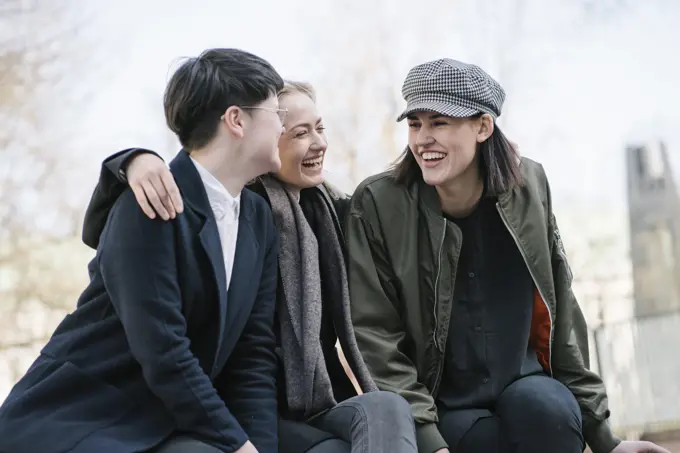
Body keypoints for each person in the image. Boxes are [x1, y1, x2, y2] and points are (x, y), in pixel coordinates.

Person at [342, 58, 672, 453]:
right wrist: (428, 441)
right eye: (415, 124)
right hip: (441, 406)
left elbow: (561, 312)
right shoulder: (378, 204)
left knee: (548, 412)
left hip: (527, 386)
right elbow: (375, 334)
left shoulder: (530, 187)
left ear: (483, 127)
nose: (422, 139)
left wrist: (605, 440)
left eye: (439, 123)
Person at [80, 81, 418, 453]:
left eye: (319, 128)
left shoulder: (333, 211)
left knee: (386, 408)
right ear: (264, 137)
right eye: (299, 132)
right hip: (242, 405)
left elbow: (396, 216)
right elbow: (112, 230)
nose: (319, 143)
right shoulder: (236, 207)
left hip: (317, 398)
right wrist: (128, 163)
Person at [0, 48, 286, 453]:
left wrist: (257, 447)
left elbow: (252, 355)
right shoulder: (148, 201)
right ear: (236, 119)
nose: (283, 128)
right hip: (84, 417)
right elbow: (164, 350)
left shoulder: (258, 219)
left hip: (168, 422)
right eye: (278, 113)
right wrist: (237, 446)